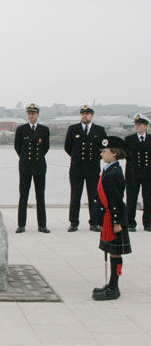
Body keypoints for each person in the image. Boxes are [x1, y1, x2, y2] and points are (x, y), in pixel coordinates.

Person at [92, 136, 131, 301]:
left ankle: (114, 287)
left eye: (105, 151)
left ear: (114, 153)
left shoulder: (114, 173)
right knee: (110, 251)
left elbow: (115, 200)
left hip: (113, 219)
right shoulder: (109, 169)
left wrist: (116, 222)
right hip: (108, 217)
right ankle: (110, 284)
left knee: (115, 254)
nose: (102, 154)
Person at [64, 105, 108, 232]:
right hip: (77, 168)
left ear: (92, 115)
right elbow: (68, 147)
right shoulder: (73, 129)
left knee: (93, 197)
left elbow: (104, 148)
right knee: (75, 196)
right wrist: (77, 157)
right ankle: (73, 222)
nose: (84, 115)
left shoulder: (99, 130)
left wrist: (94, 159)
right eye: (82, 113)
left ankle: (94, 222)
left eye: (87, 113)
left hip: (92, 169)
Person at [14, 103, 50, 233]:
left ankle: (42, 225)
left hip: (39, 166)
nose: (31, 115)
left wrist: (37, 158)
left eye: (33, 113)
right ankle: (21, 224)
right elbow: (17, 148)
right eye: (29, 113)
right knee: (23, 196)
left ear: (38, 114)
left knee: (40, 196)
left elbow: (45, 148)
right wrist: (26, 159)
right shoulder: (21, 129)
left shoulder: (44, 130)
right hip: (25, 166)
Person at [125, 113, 151, 232]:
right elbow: (127, 156)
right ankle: (130, 223)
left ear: (146, 126)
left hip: (148, 173)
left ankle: (148, 223)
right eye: (136, 124)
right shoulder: (129, 139)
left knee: (148, 199)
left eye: (140, 124)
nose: (137, 126)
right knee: (131, 199)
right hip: (133, 173)